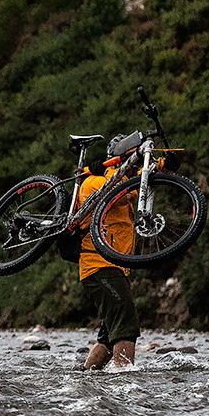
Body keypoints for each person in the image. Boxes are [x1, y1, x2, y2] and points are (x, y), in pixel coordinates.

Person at [63, 133, 139, 371]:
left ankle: (87, 375)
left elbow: (138, 185)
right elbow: (112, 191)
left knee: (108, 335)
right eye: (127, 160)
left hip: (113, 267)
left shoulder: (127, 185)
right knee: (126, 325)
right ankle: (124, 380)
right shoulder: (92, 182)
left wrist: (161, 165)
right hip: (99, 265)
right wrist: (109, 171)